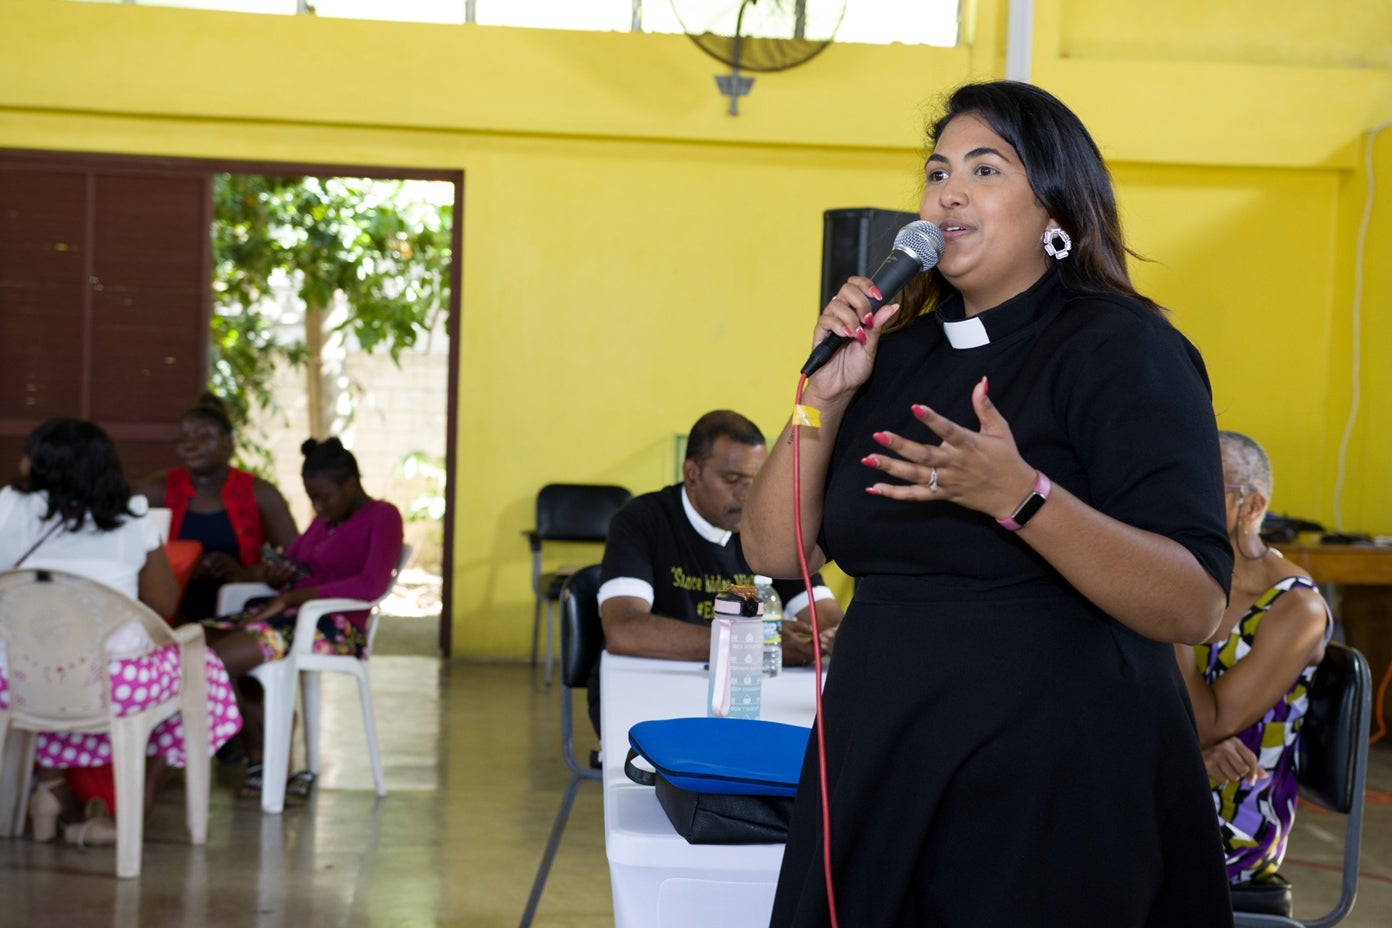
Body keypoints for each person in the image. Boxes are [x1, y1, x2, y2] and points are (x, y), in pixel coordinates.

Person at [741, 80, 1236, 926]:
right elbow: (775, 554)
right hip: (885, 753)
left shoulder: (1126, 349)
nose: (948, 192)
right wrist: (819, 397)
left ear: (1056, 206)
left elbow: (1196, 604)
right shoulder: (891, 358)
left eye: (984, 168)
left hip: (1053, 782)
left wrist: (1023, 497)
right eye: (937, 173)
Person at [0, 418, 242, 845]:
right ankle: (132, 808)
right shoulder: (130, 517)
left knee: (51, 656)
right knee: (199, 666)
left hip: (15, 681)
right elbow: (163, 607)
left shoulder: (7, 507)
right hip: (109, 684)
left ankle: (53, 790)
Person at [595, 410, 844, 733]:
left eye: (757, 479)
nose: (748, 493)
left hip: (741, 698)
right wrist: (750, 646)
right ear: (692, 473)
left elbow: (823, 614)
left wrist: (836, 636)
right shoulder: (640, 521)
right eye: (733, 479)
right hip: (654, 688)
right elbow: (624, 630)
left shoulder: (767, 530)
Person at [1174, 431, 1331, 886]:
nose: (1184, 498)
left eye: (1206, 486)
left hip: (1236, 817)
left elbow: (1208, 722)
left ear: (1253, 507)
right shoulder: (1187, 577)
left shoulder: (1295, 608)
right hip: (1171, 779)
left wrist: (1169, 615)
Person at [206, 437, 403, 798]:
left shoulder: (382, 517)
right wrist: (276, 573)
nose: (317, 507)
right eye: (312, 498)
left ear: (350, 484)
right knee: (205, 639)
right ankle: (262, 755)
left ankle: (272, 745)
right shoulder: (324, 521)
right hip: (294, 615)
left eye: (324, 497)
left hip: (335, 627)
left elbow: (371, 583)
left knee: (215, 660)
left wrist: (299, 594)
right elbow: (296, 561)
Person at [139, 392, 299, 622]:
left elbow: (293, 561)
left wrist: (241, 572)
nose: (191, 445)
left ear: (229, 442)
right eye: (184, 438)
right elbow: (125, 553)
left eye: (203, 436)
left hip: (242, 614)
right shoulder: (156, 490)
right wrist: (185, 568)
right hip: (170, 613)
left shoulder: (261, 493)